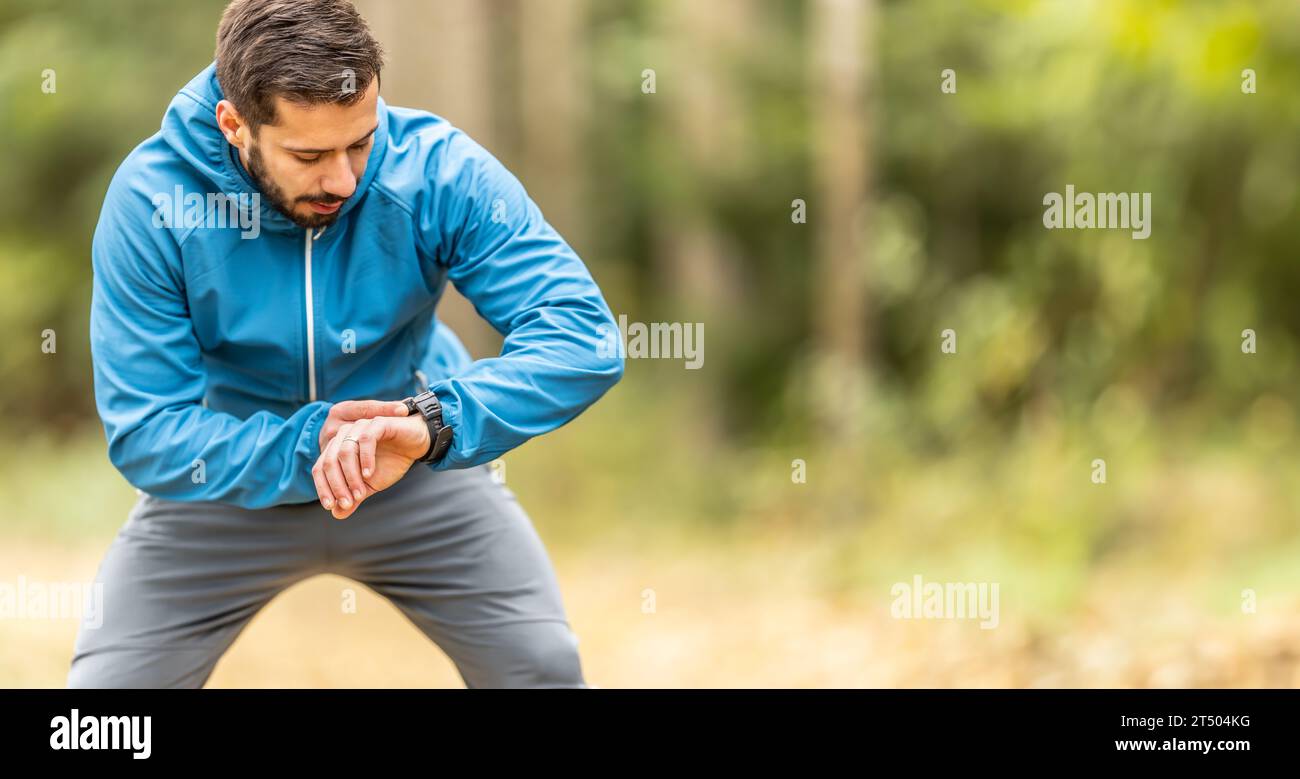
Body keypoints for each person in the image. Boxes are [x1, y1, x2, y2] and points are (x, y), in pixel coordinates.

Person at [67, 0, 622, 688]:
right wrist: (311, 445)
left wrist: (434, 421)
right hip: (228, 484)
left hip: (414, 463)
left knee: (541, 667)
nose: (344, 179)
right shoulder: (152, 201)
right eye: (309, 154)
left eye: (361, 141)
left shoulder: (438, 171)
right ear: (235, 125)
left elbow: (583, 334)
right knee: (103, 705)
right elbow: (148, 429)